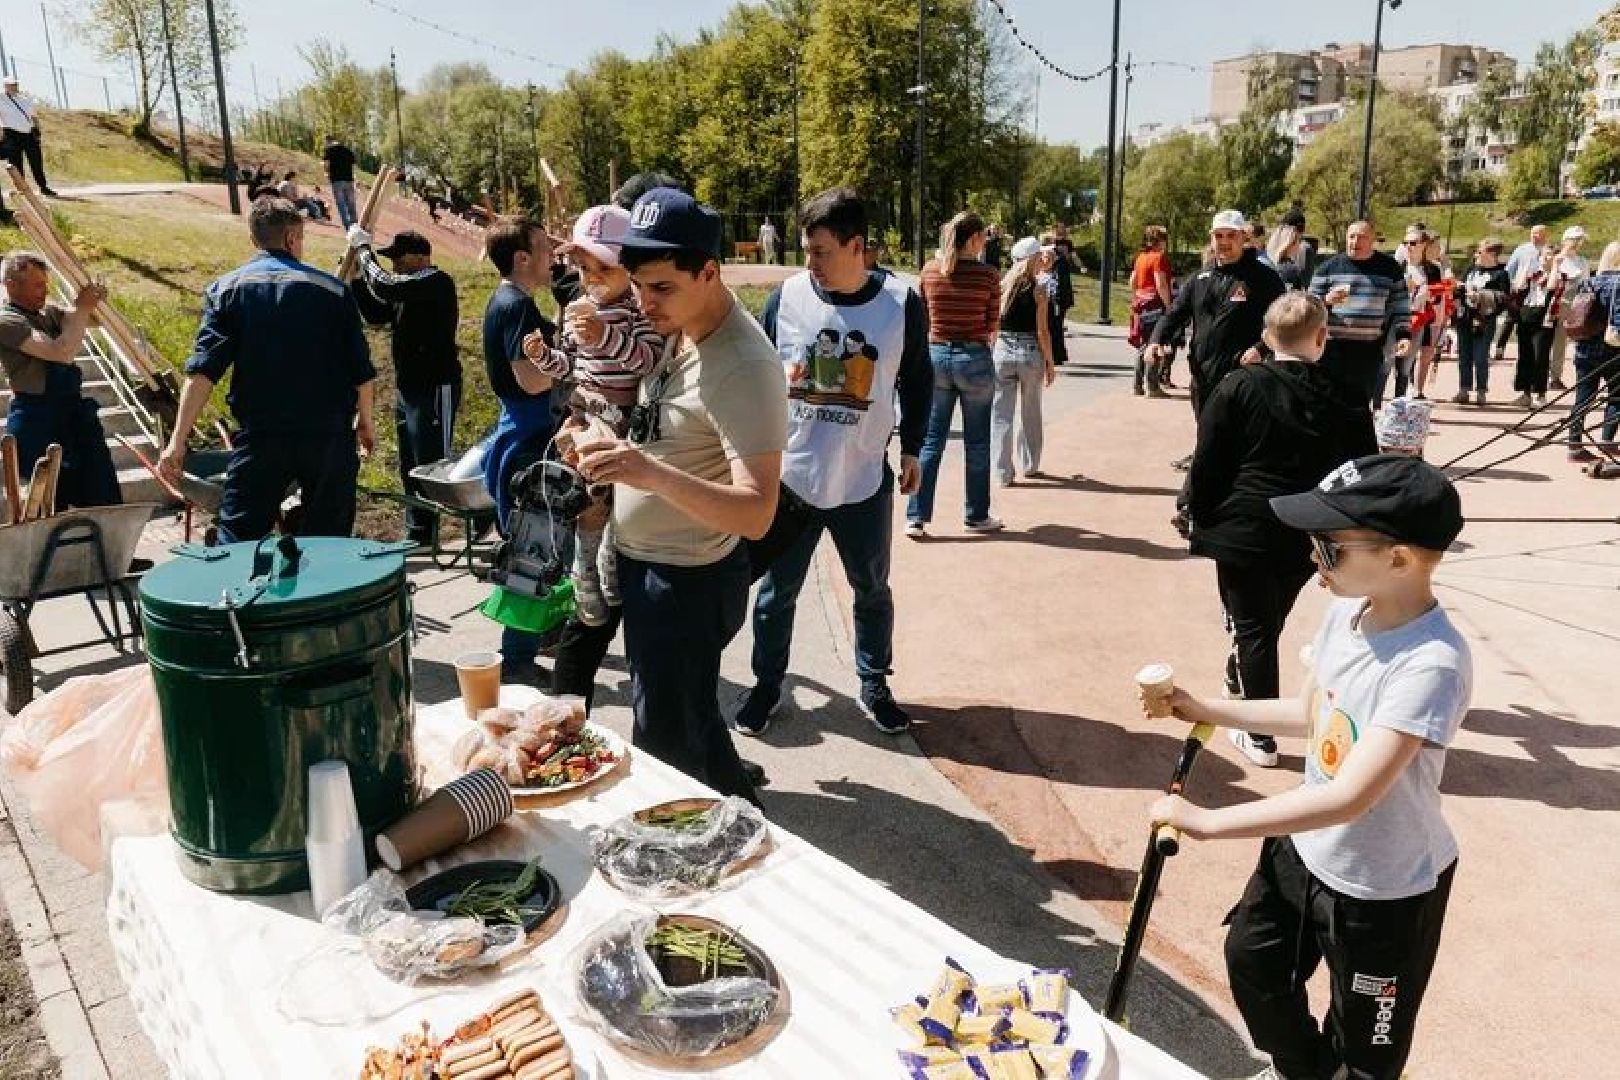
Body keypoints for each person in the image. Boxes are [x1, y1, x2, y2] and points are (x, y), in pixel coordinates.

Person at [1149, 453, 1470, 1080]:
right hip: (1303, 851)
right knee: (1253, 962)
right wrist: (1204, 706)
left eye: (1328, 547)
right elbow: (1311, 713)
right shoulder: (1347, 614)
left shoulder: (1430, 663)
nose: (1312, 559)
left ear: (1399, 558)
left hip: (1382, 886)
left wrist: (1206, 820)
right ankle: (1301, 1070)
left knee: (1365, 1049)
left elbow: (1352, 796)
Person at [573, 187, 786, 802]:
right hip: (650, 570)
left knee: (665, 745)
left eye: (661, 287)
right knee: (686, 721)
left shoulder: (744, 365)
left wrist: (647, 473)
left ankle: (714, 856)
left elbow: (757, 511)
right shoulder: (678, 326)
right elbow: (665, 430)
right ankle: (738, 823)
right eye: (637, 285)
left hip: (688, 583)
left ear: (710, 272)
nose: (643, 303)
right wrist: (600, 439)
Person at [737, 186, 931, 738]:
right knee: (777, 594)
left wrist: (914, 446)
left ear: (857, 246)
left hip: (863, 477)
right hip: (793, 479)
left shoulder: (901, 303)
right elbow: (757, 375)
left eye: (821, 251)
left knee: (871, 590)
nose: (810, 262)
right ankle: (767, 686)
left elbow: (918, 380)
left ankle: (874, 683)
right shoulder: (788, 298)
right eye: (807, 250)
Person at [1183, 292, 1378, 769]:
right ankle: (1243, 681)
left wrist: (1198, 514)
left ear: (1268, 337)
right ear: (1321, 337)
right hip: (1308, 530)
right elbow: (1362, 468)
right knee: (1266, 620)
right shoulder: (1347, 394)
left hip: (1245, 525)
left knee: (1254, 628)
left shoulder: (1237, 386)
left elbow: (1208, 461)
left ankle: (1259, 734)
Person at [159, 197, 375, 542]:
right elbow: (361, 370)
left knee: (239, 538)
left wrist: (177, 441)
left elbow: (202, 373)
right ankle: (321, 595)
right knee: (330, 541)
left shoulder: (227, 290)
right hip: (328, 437)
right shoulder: (333, 291)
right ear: (291, 238)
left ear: (254, 240)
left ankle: (238, 594)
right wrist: (365, 422)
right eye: (301, 239)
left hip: (262, 437)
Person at [518, 203, 662, 627]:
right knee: (585, 506)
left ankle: (609, 578)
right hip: (585, 411)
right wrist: (546, 358)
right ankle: (586, 595)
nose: (593, 280)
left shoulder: (637, 311)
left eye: (605, 268)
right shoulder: (578, 309)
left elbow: (647, 361)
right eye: (584, 269)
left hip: (621, 418)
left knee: (614, 500)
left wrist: (606, 335)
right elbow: (571, 367)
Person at [479, 215, 560, 678]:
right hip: (528, 438)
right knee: (533, 548)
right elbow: (531, 381)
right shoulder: (517, 308)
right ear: (522, 258)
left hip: (522, 431)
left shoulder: (512, 302)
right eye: (545, 250)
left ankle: (542, 631)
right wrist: (569, 367)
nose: (552, 258)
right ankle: (517, 660)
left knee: (541, 547)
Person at [345, 227, 461, 548]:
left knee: (433, 462)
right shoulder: (406, 290)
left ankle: (467, 518)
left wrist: (364, 250)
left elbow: (386, 285)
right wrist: (356, 279)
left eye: (399, 257)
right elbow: (376, 312)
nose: (394, 263)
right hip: (407, 389)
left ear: (421, 257)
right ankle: (418, 531)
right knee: (410, 464)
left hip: (436, 387)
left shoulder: (435, 282)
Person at [908, 210, 1003, 537]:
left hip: (935, 358)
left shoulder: (930, 272)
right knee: (977, 442)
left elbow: (920, 320)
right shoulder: (988, 275)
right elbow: (992, 325)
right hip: (973, 357)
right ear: (975, 238)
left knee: (931, 441)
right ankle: (976, 514)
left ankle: (916, 516)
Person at [0, 253, 121, 508]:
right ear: (11, 285)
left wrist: (93, 301)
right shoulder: (7, 320)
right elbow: (61, 352)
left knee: (99, 484)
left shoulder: (48, 313)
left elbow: (90, 320)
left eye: (45, 285)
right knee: (51, 500)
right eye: (37, 285)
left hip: (71, 414)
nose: (44, 292)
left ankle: (102, 540)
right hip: (37, 418)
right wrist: (82, 308)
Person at [1146, 210, 1287, 420]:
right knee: (1206, 440)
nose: (1224, 241)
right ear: (1211, 239)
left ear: (1244, 237)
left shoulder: (1264, 278)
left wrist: (1261, 348)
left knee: (1238, 442)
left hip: (1244, 376)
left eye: (1231, 235)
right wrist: (1156, 341)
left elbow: (1285, 321)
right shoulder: (1200, 279)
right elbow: (1174, 314)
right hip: (1203, 377)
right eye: (1218, 236)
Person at [1310, 221, 1412, 409]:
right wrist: (1326, 300)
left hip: (1369, 348)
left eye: (1362, 237)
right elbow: (1307, 306)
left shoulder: (1389, 268)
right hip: (1332, 348)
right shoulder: (1328, 268)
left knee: (1360, 403)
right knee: (1329, 402)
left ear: (1372, 240)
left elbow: (1400, 306)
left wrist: (1403, 335)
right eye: (1352, 236)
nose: (1355, 241)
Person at [992, 237, 1056, 483]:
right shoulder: (1039, 289)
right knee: (1031, 411)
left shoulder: (1002, 287)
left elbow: (994, 326)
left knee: (1001, 414)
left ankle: (1002, 472)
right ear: (1031, 260)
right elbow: (1042, 331)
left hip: (1003, 351)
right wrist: (1050, 362)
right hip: (1030, 352)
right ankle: (1030, 464)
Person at [1567, 241, 1620, 464]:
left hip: (1586, 347)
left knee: (1582, 398)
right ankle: (1607, 441)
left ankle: (1574, 445)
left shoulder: (1590, 282)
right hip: (1613, 349)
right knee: (1617, 396)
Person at [1450, 238, 1511, 407]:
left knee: (1480, 356)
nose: (1477, 254)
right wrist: (1457, 290)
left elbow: (1504, 298)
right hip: (1465, 316)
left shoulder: (1501, 273)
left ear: (1491, 253)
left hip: (1484, 321)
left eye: (1480, 251)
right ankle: (1464, 389)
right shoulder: (1471, 268)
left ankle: (1481, 390)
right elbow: (1459, 288)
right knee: (1464, 355)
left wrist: (1480, 296)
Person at [1510, 246, 1562, 410]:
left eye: (1549, 256)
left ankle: (1540, 393)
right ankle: (1525, 393)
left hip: (1545, 317)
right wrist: (1526, 270)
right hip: (1527, 312)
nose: (1545, 258)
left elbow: (1551, 287)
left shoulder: (1558, 274)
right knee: (1525, 355)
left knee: (1540, 355)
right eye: (1543, 256)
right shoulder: (1533, 274)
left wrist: (1554, 266)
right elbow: (1518, 287)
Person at [1544, 226, 1590, 393]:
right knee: (1544, 341)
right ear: (1565, 241)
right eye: (1574, 240)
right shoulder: (1555, 260)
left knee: (1561, 343)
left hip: (1572, 306)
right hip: (1552, 305)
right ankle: (1540, 373)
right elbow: (1547, 284)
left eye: (1580, 240)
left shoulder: (1582, 262)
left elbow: (1586, 286)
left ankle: (1555, 376)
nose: (1577, 244)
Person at [1494, 224, 1548, 362]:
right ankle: (1500, 347)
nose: (1534, 236)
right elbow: (1510, 269)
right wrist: (1510, 284)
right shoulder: (1521, 250)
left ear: (1545, 235)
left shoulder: (1548, 250)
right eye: (1533, 233)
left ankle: (1530, 349)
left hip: (1538, 291)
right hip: (1520, 289)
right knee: (1511, 319)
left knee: (1531, 322)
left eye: (1538, 233)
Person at [1132, 225, 1175, 396]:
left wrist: (1136, 296)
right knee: (1154, 343)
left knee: (1143, 344)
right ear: (1161, 241)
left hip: (1141, 302)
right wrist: (1169, 305)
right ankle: (1153, 386)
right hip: (1155, 304)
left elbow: (1133, 280)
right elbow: (1161, 283)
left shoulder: (1140, 257)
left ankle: (1137, 384)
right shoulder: (1159, 258)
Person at [0, 75, 55, 197]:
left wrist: (37, 131)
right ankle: (21, 190)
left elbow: (33, 116)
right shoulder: (1, 99)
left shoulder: (25, 99)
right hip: (11, 134)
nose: (14, 86)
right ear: (5, 86)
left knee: (36, 162)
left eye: (15, 84)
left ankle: (43, 187)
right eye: (11, 84)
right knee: (15, 163)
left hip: (29, 134)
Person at [1048, 223, 1082, 365]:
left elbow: (1074, 256)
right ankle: (1056, 353)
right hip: (1055, 288)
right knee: (1054, 323)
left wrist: (1081, 265)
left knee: (1057, 323)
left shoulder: (1067, 245)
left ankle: (1058, 354)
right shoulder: (1050, 244)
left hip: (1061, 288)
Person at [323, 136, 359, 229]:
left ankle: (347, 226)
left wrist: (326, 173)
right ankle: (354, 223)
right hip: (349, 180)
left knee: (341, 203)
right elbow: (353, 165)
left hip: (336, 180)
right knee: (351, 203)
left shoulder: (329, 150)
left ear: (329, 142)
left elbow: (326, 164)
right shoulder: (348, 151)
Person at [1267, 224, 1310, 292]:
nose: (1300, 244)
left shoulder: (1268, 263)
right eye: (1299, 240)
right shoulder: (1290, 269)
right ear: (1290, 244)